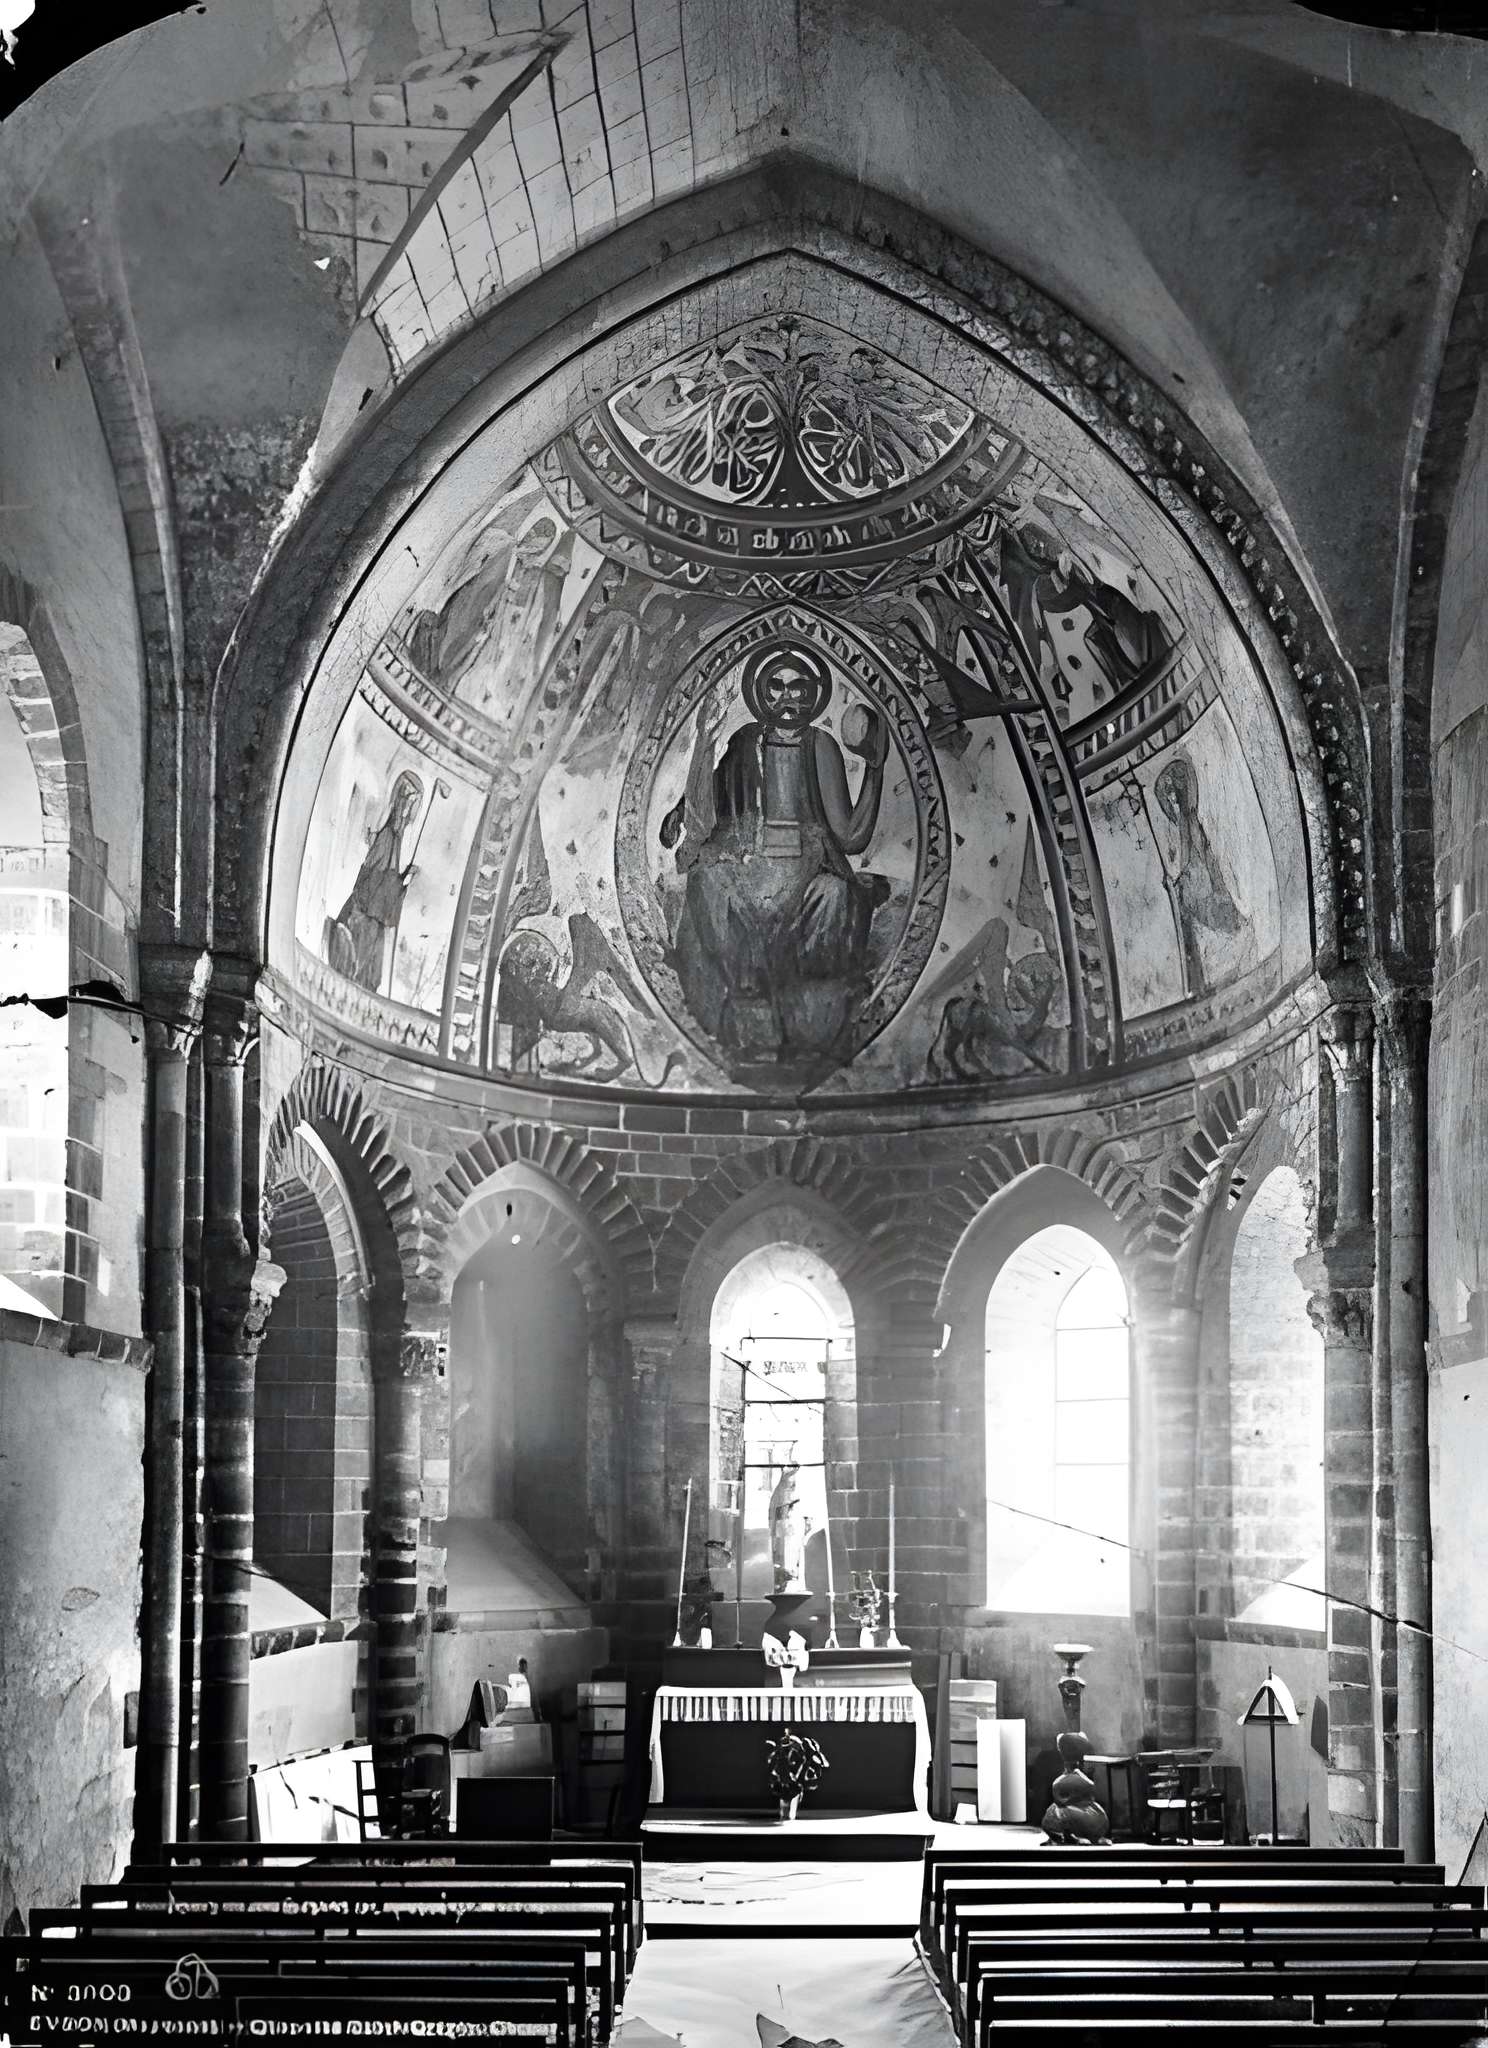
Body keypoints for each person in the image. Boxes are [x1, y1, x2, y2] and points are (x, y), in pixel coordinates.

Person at [659, 646, 890, 1068]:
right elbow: (714, 795)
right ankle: (747, 1005)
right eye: (778, 687)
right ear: (762, 695)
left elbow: (849, 835)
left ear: (813, 695)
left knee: (834, 894)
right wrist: (679, 811)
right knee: (707, 882)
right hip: (749, 869)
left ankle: (806, 1027)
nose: (789, 698)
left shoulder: (821, 747)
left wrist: (875, 767)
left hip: (806, 872)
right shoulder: (745, 740)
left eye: (799, 688)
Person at [323, 770, 422, 993]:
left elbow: (387, 884)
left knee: (388, 843)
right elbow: (376, 885)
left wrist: (405, 878)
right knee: (391, 843)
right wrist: (405, 880)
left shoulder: (393, 839)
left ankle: (402, 802)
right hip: (371, 913)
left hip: (370, 911)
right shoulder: (387, 838)